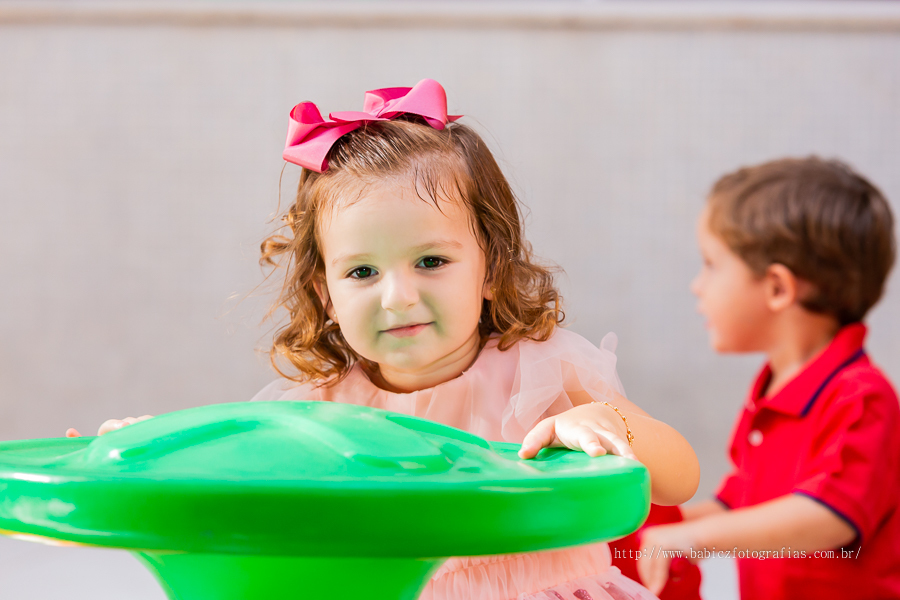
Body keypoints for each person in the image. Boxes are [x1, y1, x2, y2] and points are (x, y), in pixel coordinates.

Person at [68, 79, 700, 600]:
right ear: (325, 295)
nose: (397, 296)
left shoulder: (544, 370)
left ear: (491, 266)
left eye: (430, 262)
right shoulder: (318, 407)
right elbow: (237, 487)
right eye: (362, 272)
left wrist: (605, 419)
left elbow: (680, 478)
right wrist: (153, 450)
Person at [637, 157, 900, 599]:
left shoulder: (861, 398)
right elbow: (740, 501)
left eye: (711, 265)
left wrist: (695, 540)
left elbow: (829, 516)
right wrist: (643, 529)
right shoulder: (774, 386)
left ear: (778, 288)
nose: (696, 286)